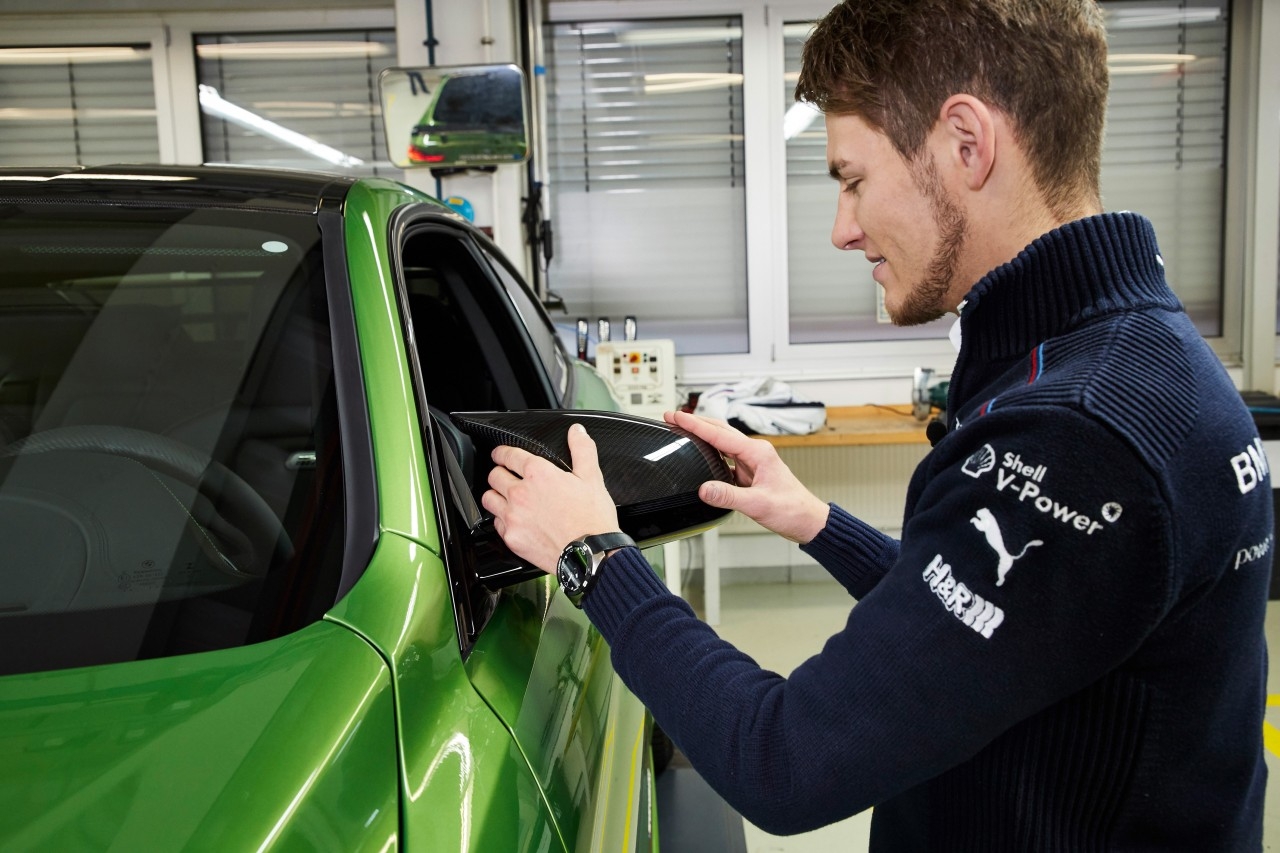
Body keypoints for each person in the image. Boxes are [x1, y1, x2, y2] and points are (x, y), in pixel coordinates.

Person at [482, 0, 1271, 848]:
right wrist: (818, 521)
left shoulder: (1076, 436)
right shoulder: (1130, 352)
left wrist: (594, 557)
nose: (842, 228)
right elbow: (1005, 626)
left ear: (967, 144)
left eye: (853, 179)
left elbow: (783, 760)